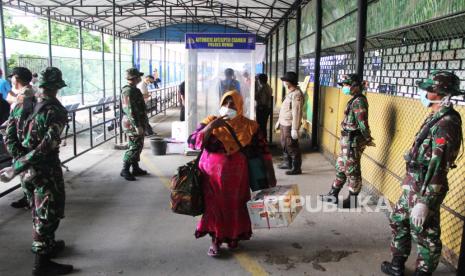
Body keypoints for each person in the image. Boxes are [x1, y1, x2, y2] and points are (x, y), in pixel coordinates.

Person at [381, 71, 464, 276]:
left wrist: (425, 202)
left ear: (439, 93)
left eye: (428, 88)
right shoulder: (435, 116)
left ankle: (423, 272)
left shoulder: (447, 124)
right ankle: (397, 265)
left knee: (426, 234)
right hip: (413, 183)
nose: (423, 91)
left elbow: (439, 167)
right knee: (398, 220)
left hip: (426, 188)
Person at [0, 67, 73, 275]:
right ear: (57, 87)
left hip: (26, 171)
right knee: (48, 213)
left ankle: (48, 245)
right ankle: (41, 263)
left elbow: (8, 134)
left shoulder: (22, 103)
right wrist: (23, 163)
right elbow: (47, 145)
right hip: (45, 169)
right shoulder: (56, 111)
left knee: (36, 209)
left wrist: (19, 160)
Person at [188, 90, 276, 257]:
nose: (228, 107)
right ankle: (215, 240)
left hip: (238, 177)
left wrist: (271, 174)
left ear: (240, 106)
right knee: (214, 207)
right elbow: (193, 142)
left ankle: (233, 236)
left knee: (236, 206)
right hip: (211, 176)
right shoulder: (210, 121)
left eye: (232, 104)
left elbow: (264, 151)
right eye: (225, 103)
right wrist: (211, 127)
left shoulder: (250, 126)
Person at [320, 74, 375, 208]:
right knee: (341, 166)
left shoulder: (359, 101)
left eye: (347, 85)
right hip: (346, 140)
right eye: (344, 85)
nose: (344, 87)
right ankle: (332, 194)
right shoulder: (354, 100)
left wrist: (367, 138)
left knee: (352, 169)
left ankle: (352, 200)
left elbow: (362, 123)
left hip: (353, 141)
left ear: (356, 86)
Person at [5, 67, 36, 210]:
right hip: (26, 138)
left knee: (26, 170)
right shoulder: (28, 92)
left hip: (23, 139)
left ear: (16, 78)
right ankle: (29, 197)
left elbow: (17, 108)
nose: (11, 79)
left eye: (12, 77)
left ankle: (31, 199)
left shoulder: (27, 94)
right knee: (27, 171)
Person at [120, 68, 149, 181]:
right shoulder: (129, 91)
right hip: (132, 124)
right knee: (134, 146)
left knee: (138, 145)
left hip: (136, 122)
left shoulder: (133, 89)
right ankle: (125, 170)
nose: (140, 78)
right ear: (134, 78)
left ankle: (135, 168)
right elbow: (130, 110)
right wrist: (137, 125)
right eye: (138, 76)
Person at [275, 72, 304, 175]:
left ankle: (296, 168)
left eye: (285, 80)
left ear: (289, 82)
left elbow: (297, 112)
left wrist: (294, 128)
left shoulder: (297, 94)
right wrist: (279, 121)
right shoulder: (290, 92)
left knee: (291, 145)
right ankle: (287, 163)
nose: (283, 82)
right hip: (284, 122)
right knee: (284, 144)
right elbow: (285, 109)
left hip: (289, 124)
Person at [255, 74, 273, 138]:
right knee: (263, 125)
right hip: (265, 108)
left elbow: (256, 96)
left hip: (262, 108)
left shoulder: (263, 87)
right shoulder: (268, 87)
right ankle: (263, 139)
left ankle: (262, 140)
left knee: (261, 125)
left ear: (260, 80)